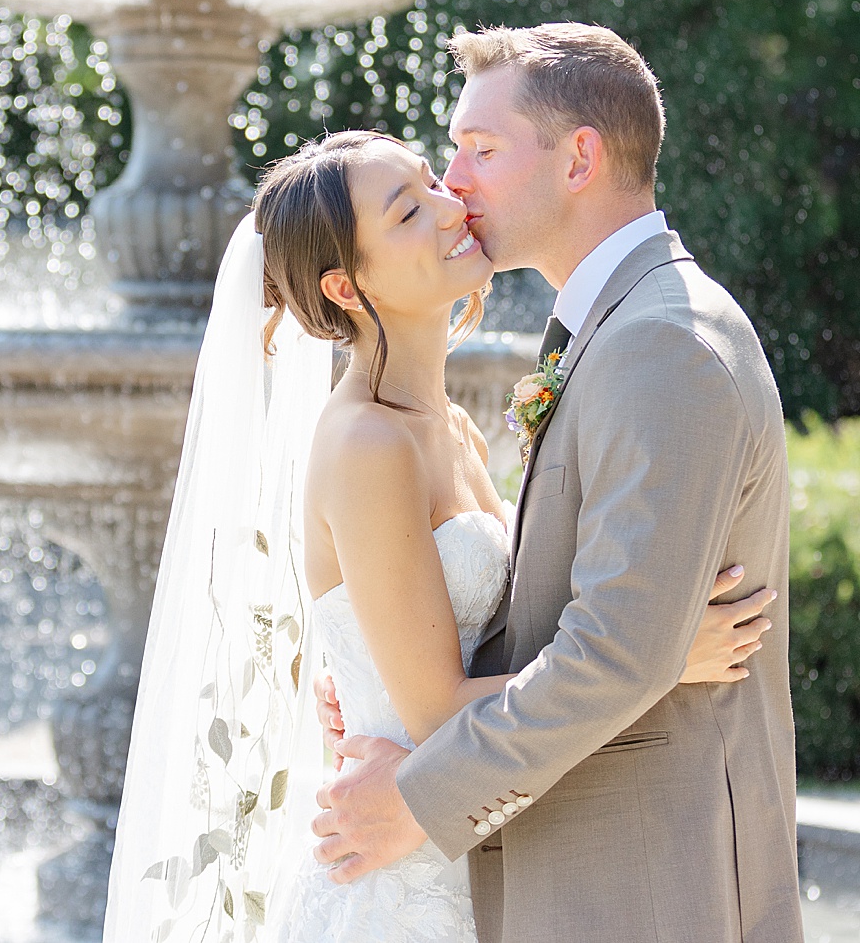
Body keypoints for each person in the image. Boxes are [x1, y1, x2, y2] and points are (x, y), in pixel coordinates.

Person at [104, 109, 777, 940]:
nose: (452, 204)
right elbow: (433, 711)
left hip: (473, 840)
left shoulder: (446, 424)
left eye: (432, 183)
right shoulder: (367, 445)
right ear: (347, 288)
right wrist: (666, 658)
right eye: (408, 211)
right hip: (399, 875)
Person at [307, 25, 801, 942]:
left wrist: (416, 793)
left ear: (580, 158)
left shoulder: (661, 343)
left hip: (647, 878)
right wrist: (372, 682)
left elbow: (615, 654)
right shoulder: (622, 326)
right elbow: (582, 629)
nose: (454, 182)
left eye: (481, 150)